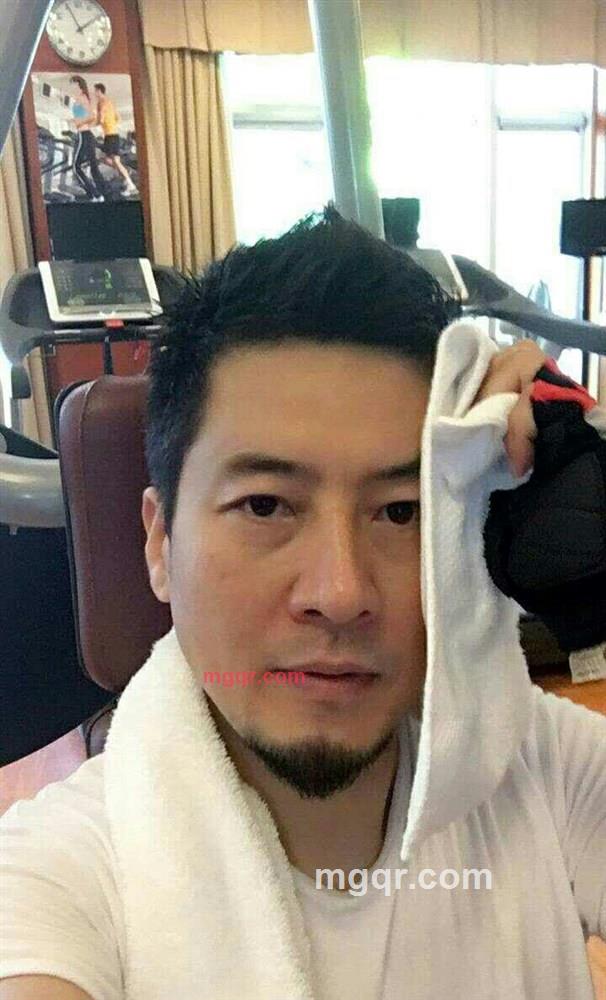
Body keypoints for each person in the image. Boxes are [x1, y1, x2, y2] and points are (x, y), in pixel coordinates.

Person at [0, 206, 604, 1000]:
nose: (340, 594)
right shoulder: (57, 879)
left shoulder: (542, 768)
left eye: (401, 512)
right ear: (159, 543)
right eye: (265, 506)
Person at [93, 83, 138, 197]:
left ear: (99, 91)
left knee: (112, 160)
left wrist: (91, 125)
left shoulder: (101, 103)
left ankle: (129, 182)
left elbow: (101, 120)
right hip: (113, 135)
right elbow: (118, 118)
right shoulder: (110, 102)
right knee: (105, 159)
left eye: (95, 91)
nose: (94, 93)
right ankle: (126, 174)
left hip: (110, 136)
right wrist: (110, 124)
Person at [69, 75, 106, 202]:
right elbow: (90, 117)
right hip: (88, 134)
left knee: (76, 167)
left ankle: (93, 195)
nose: (72, 88)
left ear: (80, 86)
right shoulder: (82, 98)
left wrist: (78, 123)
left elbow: (92, 116)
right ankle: (101, 195)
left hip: (84, 135)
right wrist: (76, 120)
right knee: (94, 166)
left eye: (74, 85)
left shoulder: (81, 98)